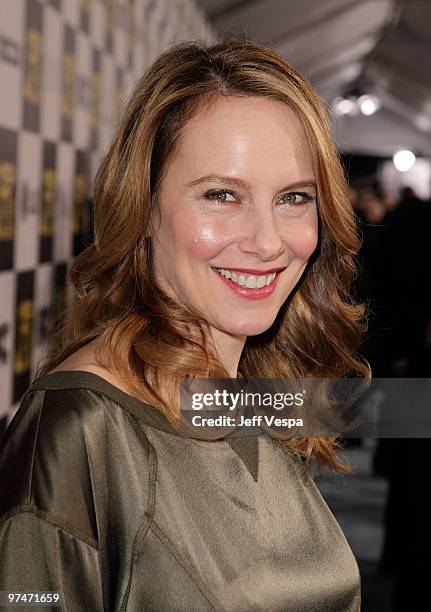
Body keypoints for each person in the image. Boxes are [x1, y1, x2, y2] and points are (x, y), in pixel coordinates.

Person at [0, 39, 369, 611]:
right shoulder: (78, 430)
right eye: (222, 195)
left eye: (295, 198)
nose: (268, 242)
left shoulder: (249, 390)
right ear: (143, 207)